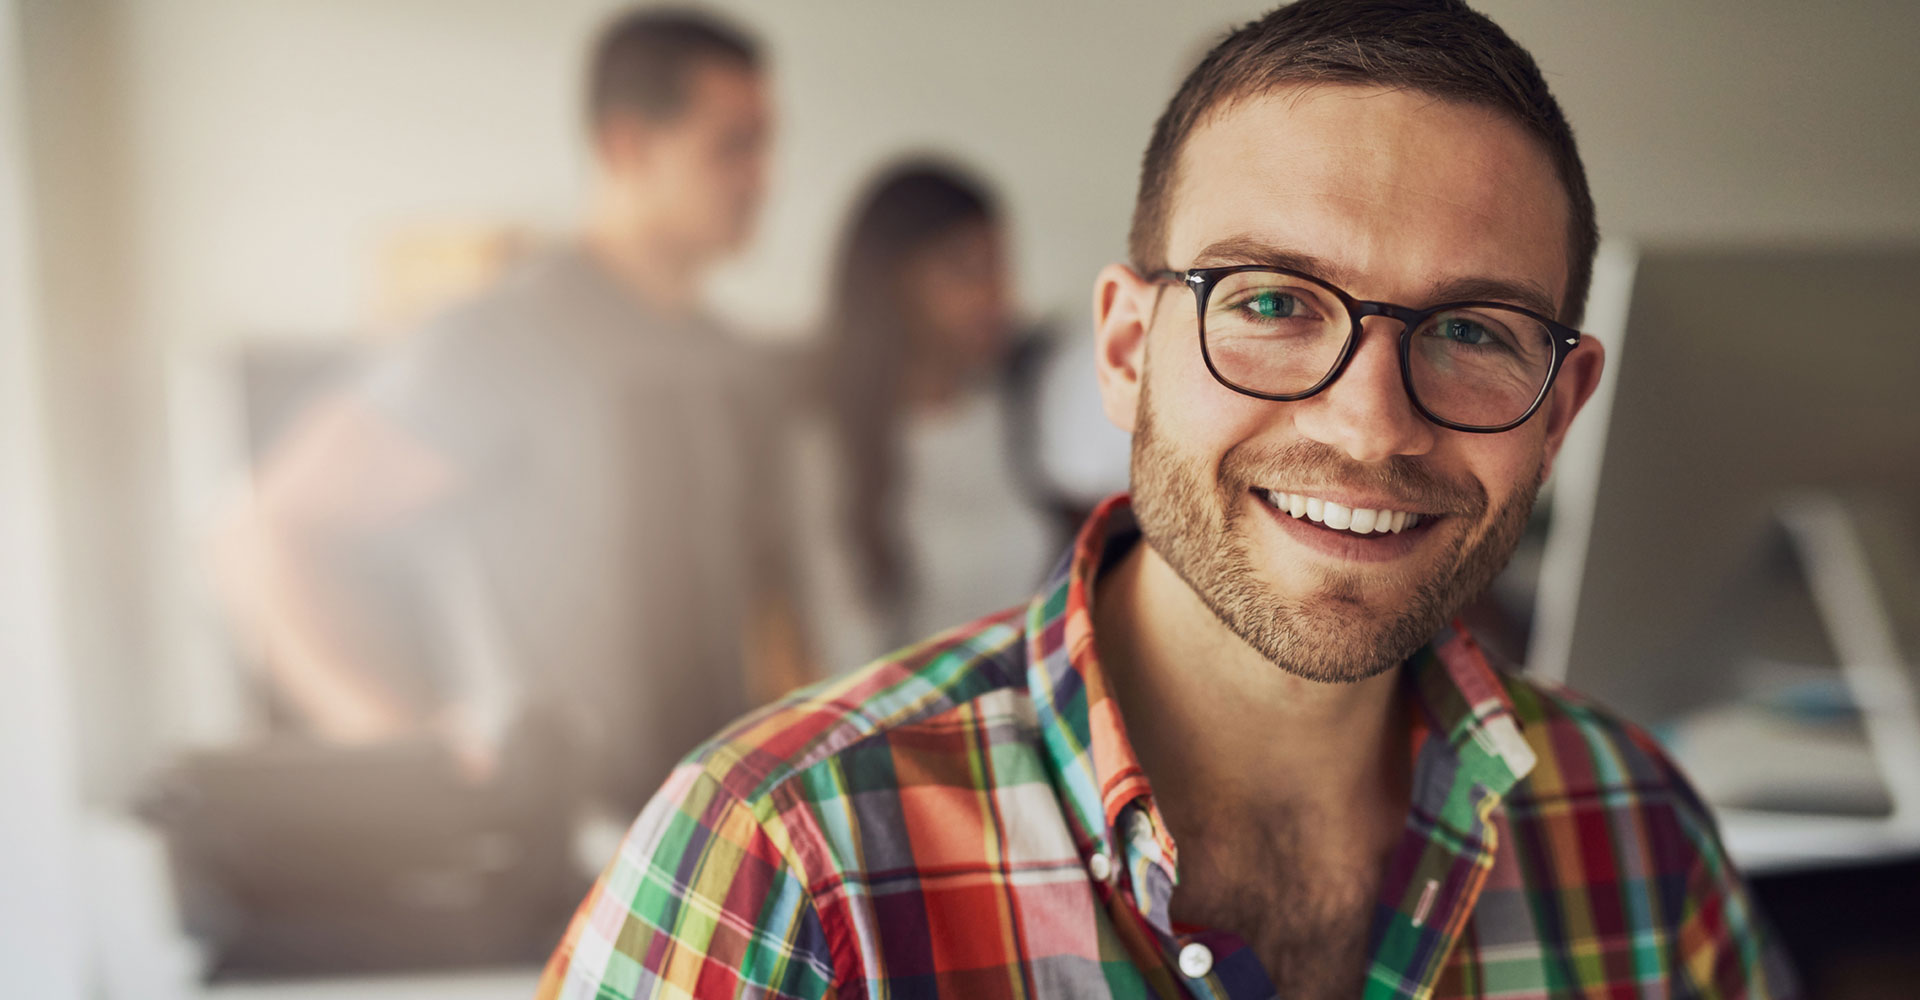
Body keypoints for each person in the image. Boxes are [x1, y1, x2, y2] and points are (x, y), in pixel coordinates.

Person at [537, 1, 1798, 997]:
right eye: (1271, 303)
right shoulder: (785, 860)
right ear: (1127, 350)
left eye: (1471, 329)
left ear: (1561, 407)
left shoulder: (1634, 831)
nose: (1369, 422)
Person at [218, 6, 802, 816]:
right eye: (733, 146)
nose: (762, 178)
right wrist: (407, 746)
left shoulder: (727, 360)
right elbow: (262, 533)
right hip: (554, 842)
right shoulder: (497, 341)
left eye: (766, 145)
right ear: (626, 145)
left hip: (707, 832)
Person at [794, 160, 1066, 674]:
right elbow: (842, 650)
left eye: (1000, 267)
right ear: (895, 284)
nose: (997, 297)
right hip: (911, 737)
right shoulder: (830, 447)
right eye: (967, 270)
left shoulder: (1019, 408)